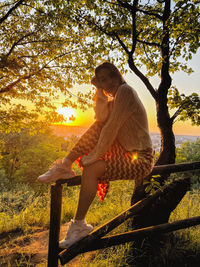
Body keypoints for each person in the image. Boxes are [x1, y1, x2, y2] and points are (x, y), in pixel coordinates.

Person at [37, 62, 154, 249]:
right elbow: (101, 117)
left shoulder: (126, 91)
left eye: (110, 77)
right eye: (102, 81)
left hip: (141, 159)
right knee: (98, 126)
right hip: (126, 154)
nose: (108, 83)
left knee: (91, 167)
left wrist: (94, 156)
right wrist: (99, 90)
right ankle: (65, 165)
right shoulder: (115, 99)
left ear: (118, 75)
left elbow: (111, 127)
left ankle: (79, 224)